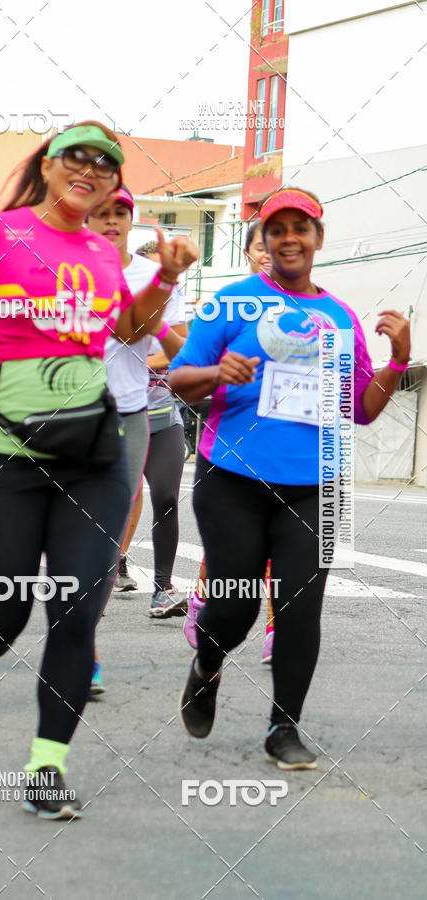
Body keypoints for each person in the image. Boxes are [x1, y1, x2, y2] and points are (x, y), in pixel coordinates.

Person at [0, 121, 198, 818]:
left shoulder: (102, 252)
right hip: (4, 451)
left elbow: (129, 331)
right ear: (50, 162)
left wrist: (165, 277)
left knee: (76, 612)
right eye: (78, 157)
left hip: (91, 455)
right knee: (4, 605)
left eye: (106, 164)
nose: (91, 170)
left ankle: (46, 767)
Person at [169, 187, 410, 770]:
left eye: (301, 228)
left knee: (301, 607)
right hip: (232, 478)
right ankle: (206, 666)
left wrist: (399, 359)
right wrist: (214, 370)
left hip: (316, 486)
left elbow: (362, 409)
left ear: (318, 239)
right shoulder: (229, 305)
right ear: (265, 242)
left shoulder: (339, 317)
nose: (290, 239)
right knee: (234, 606)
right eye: (278, 230)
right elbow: (179, 380)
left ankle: (284, 728)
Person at [86, 187, 187, 694]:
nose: (110, 221)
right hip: (69, 415)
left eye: (120, 212)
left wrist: (162, 294)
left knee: (105, 531)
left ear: (132, 219)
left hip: (132, 413)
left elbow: (172, 344)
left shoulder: (152, 275)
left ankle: (86, 647)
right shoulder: (61, 269)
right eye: (100, 212)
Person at [183, 221, 277, 664]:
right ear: (249, 252)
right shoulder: (229, 303)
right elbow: (186, 366)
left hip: (294, 451)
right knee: (235, 552)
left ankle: (279, 629)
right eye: (262, 245)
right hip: (233, 449)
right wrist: (221, 371)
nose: (272, 252)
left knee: (288, 550)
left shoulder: (320, 306)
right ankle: (205, 597)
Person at [116, 241, 189, 618]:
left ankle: (163, 589)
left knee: (166, 497)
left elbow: (184, 350)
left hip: (163, 419)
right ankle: (108, 568)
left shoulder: (172, 306)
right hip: (118, 421)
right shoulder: (116, 298)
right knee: (116, 501)